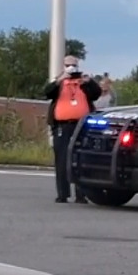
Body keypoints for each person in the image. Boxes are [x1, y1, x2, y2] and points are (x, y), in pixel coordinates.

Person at [45, 55, 101, 204]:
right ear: (63, 66)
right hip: (62, 126)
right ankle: (62, 194)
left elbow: (96, 94)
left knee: (82, 158)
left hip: (82, 126)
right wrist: (60, 79)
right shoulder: (59, 82)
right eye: (68, 65)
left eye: (74, 65)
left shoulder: (83, 82)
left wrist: (89, 82)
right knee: (62, 159)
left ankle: (81, 194)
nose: (71, 68)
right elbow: (47, 93)